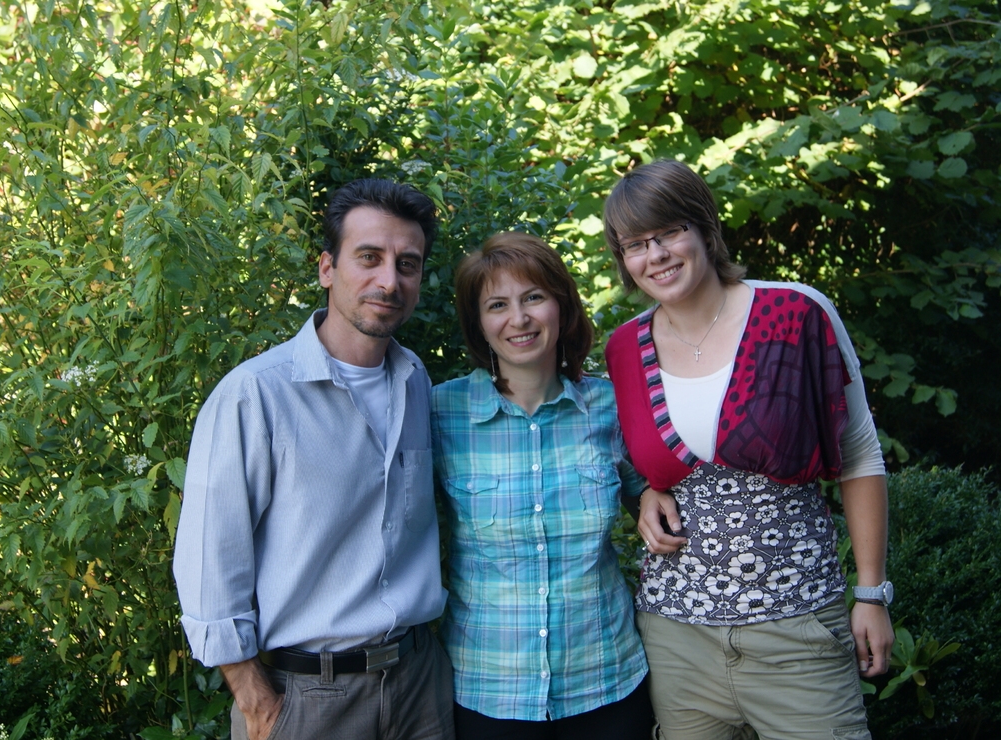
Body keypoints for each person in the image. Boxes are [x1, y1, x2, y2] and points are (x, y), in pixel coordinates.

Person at [602, 160, 894, 740]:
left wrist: (871, 592)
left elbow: (860, 457)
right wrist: (644, 491)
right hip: (676, 638)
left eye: (669, 232)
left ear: (704, 229)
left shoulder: (796, 313)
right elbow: (624, 460)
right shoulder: (622, 350)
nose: (656, 254)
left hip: (799, 631)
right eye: (636, 244)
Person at [173, 179, 454, 740]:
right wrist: (256, 701)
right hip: (307, 699)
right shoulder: (255, 395)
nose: (389, 280)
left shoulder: (416, 380)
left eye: (408, 263)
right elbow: (209, 557)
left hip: (420, 687)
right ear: (327, 267)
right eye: (368, 258)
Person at [430, 232, 652, 740]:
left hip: (607, 682)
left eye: (533, 297)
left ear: (561, 305)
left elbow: (653, 494)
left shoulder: (611, 406)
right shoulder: (439, 412)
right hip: (488, 692)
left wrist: (650, 496)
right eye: (497, 305)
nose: (519, 318)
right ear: (478, 324)